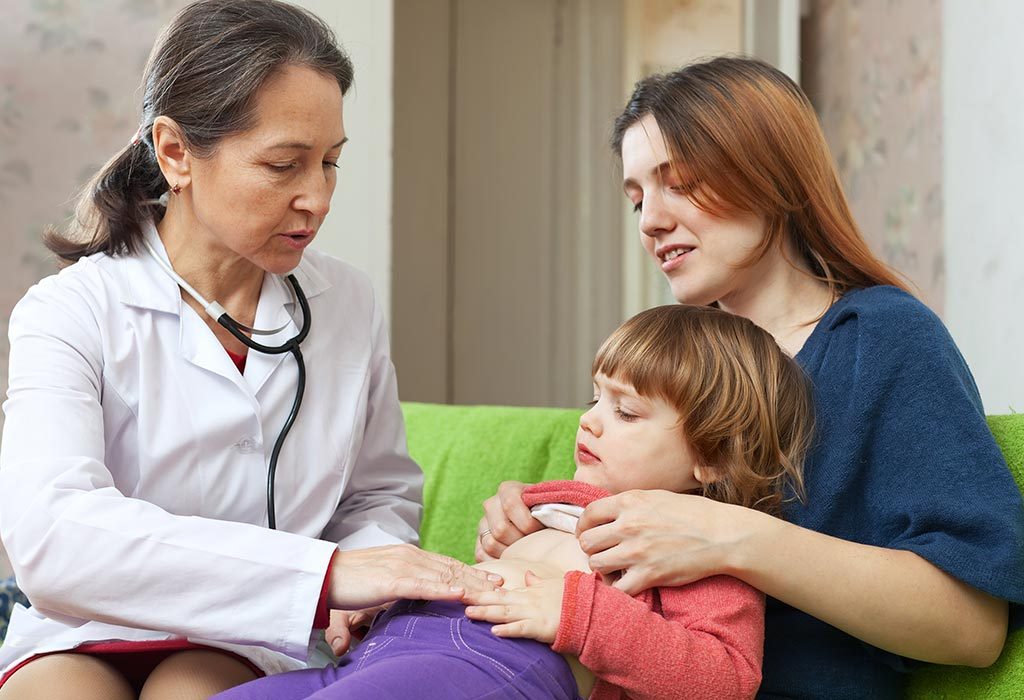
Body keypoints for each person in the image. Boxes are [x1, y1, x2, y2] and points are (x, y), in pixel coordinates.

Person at [478, 56, 1024, 699]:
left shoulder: (879, 338)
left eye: (677, 182)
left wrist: (733, 538)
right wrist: (538, 519)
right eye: (636, 200)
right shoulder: (682, 362)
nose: (651, 220)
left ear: (771, 174)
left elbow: (974, 627)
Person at [0, 2, 497, 698]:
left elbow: (375, 496)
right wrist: (323, 576)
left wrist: (359, 577)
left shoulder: (346, 303)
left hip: (252, 635)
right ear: (175, 152)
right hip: (81, 627)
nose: (317, 198)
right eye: (284, 165)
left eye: (329, 163)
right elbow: (52, 534)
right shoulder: (71, 310)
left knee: (193, 688)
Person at [210, 303, 816, 700]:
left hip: (494, 668)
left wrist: (577, 616)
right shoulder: (551, 501)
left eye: (626, 411)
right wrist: (395, 598)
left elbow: (725, 677)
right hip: (388, 650)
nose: (590, 422)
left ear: (711, 456)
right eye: (595, 399)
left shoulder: (699, 543)